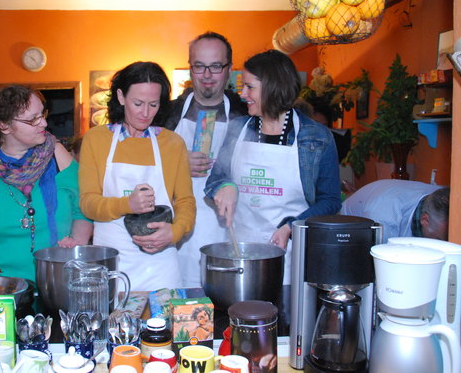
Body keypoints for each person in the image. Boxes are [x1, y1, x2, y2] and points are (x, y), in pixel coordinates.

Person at [205, 50, 341, 330]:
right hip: (240, 258)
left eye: (250, 86)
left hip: (290, 260)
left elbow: (330, 200)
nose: (243, 94)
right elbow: (214, 180)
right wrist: (226, 186)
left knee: (284, 330)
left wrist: (292, 225)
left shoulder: (315, 137)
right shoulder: (238, 129)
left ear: (274, 86)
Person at [79, 61, 195, 291]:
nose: (145, 113)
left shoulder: (172, 143)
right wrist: (128, 204)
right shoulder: (96, 139)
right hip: (113, 266)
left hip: (162, 268)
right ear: (121, 97)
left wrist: (175, 231)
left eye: (153, 104)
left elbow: (185, 202)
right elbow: (88, 203)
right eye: (138, 103)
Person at [0, 85, 92, 280]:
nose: (44, 123)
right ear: (4, 126)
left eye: (42, 114)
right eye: (32, 119)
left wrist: (77, 242)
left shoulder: (56, 154)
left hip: (56, 281)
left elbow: (83, 206)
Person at [164, 31, 248, 287]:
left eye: (215, 66)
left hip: (229, 230)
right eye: (200, 66)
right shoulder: (166, 114)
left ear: (229, 69)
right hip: (175, 236)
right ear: (190, 68)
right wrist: (176, 162)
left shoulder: (246, 115)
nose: (208, 75)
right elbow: (140, 167)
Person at [341, 179, 450, 242]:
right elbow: (378, 267)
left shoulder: (445, 197)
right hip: (348, 230)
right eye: (440, 239)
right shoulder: (384, 219)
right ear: (425, 220)